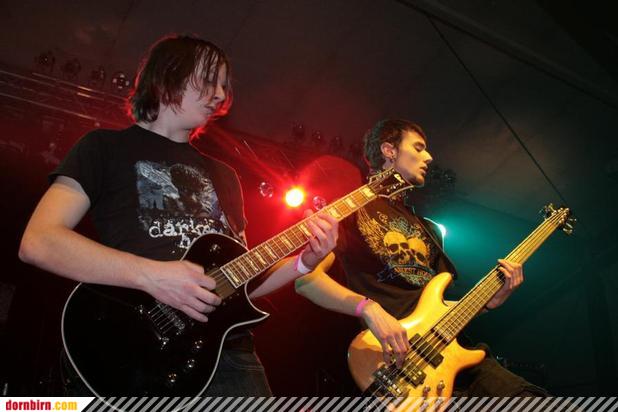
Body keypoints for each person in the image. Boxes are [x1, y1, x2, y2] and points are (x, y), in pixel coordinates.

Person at [18, 34, 338, 396]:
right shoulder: (103, 148)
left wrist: (305, 262)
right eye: (209, 80)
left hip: (230, 360)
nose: (220, 94)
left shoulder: (225, 175)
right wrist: (152, 276)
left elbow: (241, 281)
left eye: (224, 85)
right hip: (135, 349)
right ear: (168, 75)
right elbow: (39, 241)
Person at [295, 118, 547, 397]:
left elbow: (440, 304)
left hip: (459, 355)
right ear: (389, 150)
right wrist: (368, 308)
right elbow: (305, 279)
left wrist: (487, 304)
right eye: (418, 148)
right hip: (401, 365)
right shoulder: (350, 210)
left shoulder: (429, 229)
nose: (428, 157)